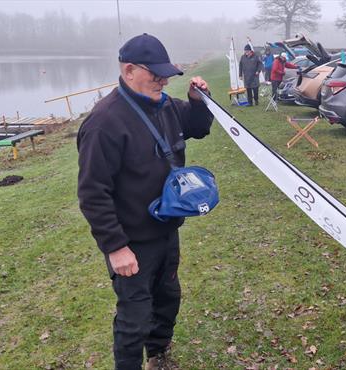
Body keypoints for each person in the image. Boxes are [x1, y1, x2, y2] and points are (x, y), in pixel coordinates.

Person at [76, 33, 213, 370]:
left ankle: (158, 355)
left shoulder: (164, 105)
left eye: (165, 73)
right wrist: (115, 246)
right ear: (129, 71)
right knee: (134, 316)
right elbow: (92, 192)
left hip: (166, 230)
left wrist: (197, 101)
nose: (162, 80)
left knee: (168, 300)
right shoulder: (104, 122)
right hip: (132, 242)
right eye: (155, 74)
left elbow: (197, 127)